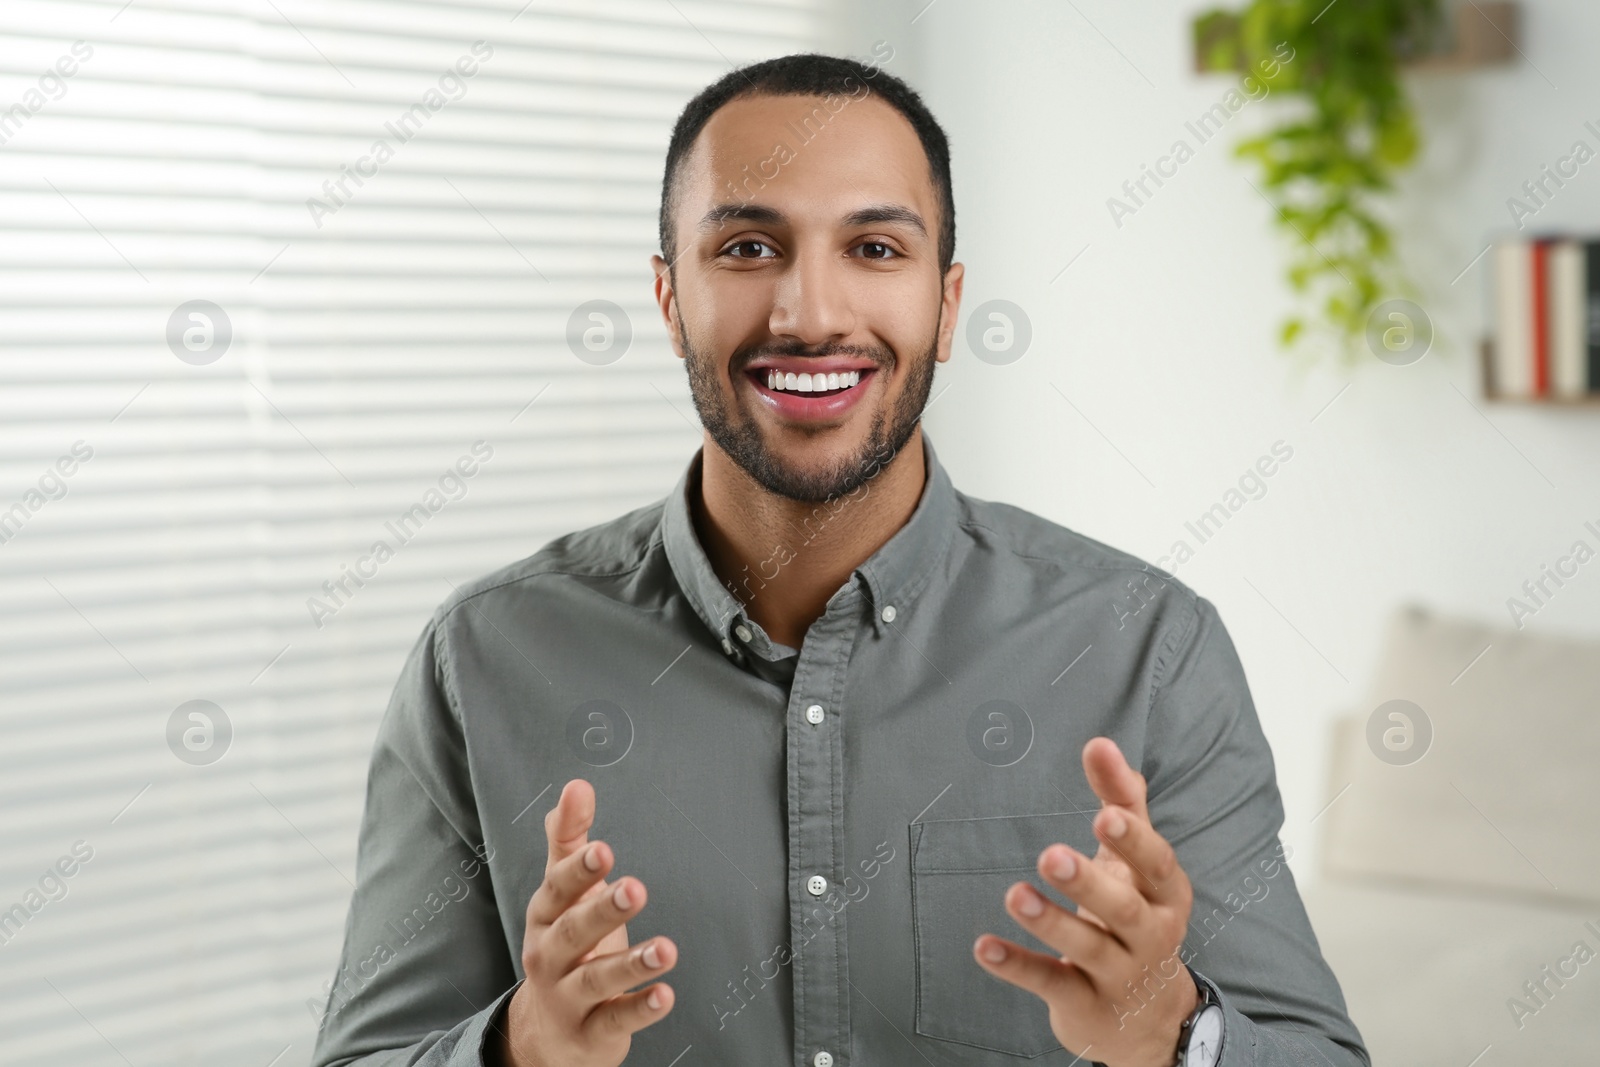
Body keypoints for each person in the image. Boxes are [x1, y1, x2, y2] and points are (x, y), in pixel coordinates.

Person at [310, 52, 1368, 1067]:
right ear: (669, 296)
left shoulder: (1148, 649)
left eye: (874, 249)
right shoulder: (482, 659)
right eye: (745, 248)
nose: (809, 316)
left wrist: (1167, 1031)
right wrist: (523, 1048)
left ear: (945, 306)